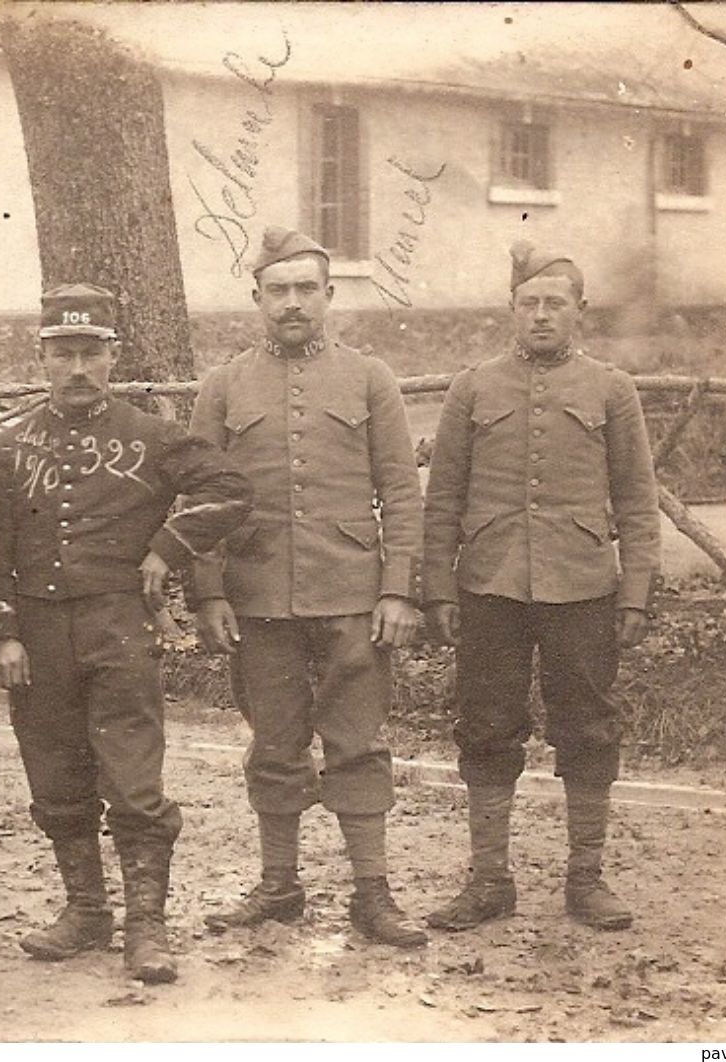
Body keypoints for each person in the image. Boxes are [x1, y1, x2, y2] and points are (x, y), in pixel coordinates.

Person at [0, 283, 253, 984]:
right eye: (62, 354)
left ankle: (146, 928)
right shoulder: (9, 448)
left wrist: (168, 547)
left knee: (133, 781)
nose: (77, 369)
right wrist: (2, 631)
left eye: (90, 354)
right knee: (54, 775)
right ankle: (84, 912)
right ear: (41, 358)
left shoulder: (153, 437)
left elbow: (231, 490)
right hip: (36, 634)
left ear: (112, 357)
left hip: (118, 628)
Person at [190, 226, 428, 948]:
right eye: (276, 291)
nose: (290, 303)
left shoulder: (369, 379)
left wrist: (396, 590)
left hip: (352, 594)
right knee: (274, 742)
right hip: (258, 597)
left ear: (327, 296)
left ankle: (371, 892)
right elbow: (197, 496)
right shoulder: (224, 385)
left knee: (356, 742)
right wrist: (207, 593)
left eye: (304, 290)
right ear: (255, 299)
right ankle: (278, 885)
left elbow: (400, 492)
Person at [421, 241, 661, 932]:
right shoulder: (472, 388)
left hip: (582, 586)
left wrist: (635, 592)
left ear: (580, 312)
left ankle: (585, 879)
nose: (541, 315)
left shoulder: (611, 390)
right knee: (486, 726)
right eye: (529, 303)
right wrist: (437, 589)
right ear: (510, 311)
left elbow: (636, 501)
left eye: (555, 303)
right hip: (488, 585)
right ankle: (489, 880)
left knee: (586, 727)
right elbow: (442, 499)